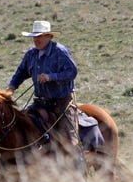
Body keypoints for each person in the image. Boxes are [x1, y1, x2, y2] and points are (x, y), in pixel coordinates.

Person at [7, 20, 80, 153]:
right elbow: (21, 72)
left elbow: (72, 72)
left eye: (40, 36)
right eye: (35, 36)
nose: (36, 40)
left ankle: (78, 167)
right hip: (41, 103)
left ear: (49, 36)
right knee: (20, 127)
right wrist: (12, 88)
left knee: (70, 142)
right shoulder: (31, 54)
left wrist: (50, 77)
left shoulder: (60, 52)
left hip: (62, 103)